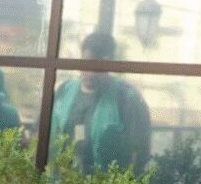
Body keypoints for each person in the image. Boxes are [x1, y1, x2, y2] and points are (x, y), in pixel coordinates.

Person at [50, 32, 151, 174]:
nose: (89, 73)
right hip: (62, 183)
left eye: (97, 67)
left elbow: (138, 150)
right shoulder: (64, 90)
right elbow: (42, 133)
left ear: (109, 64)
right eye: (86, 64)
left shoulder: (126, 98)